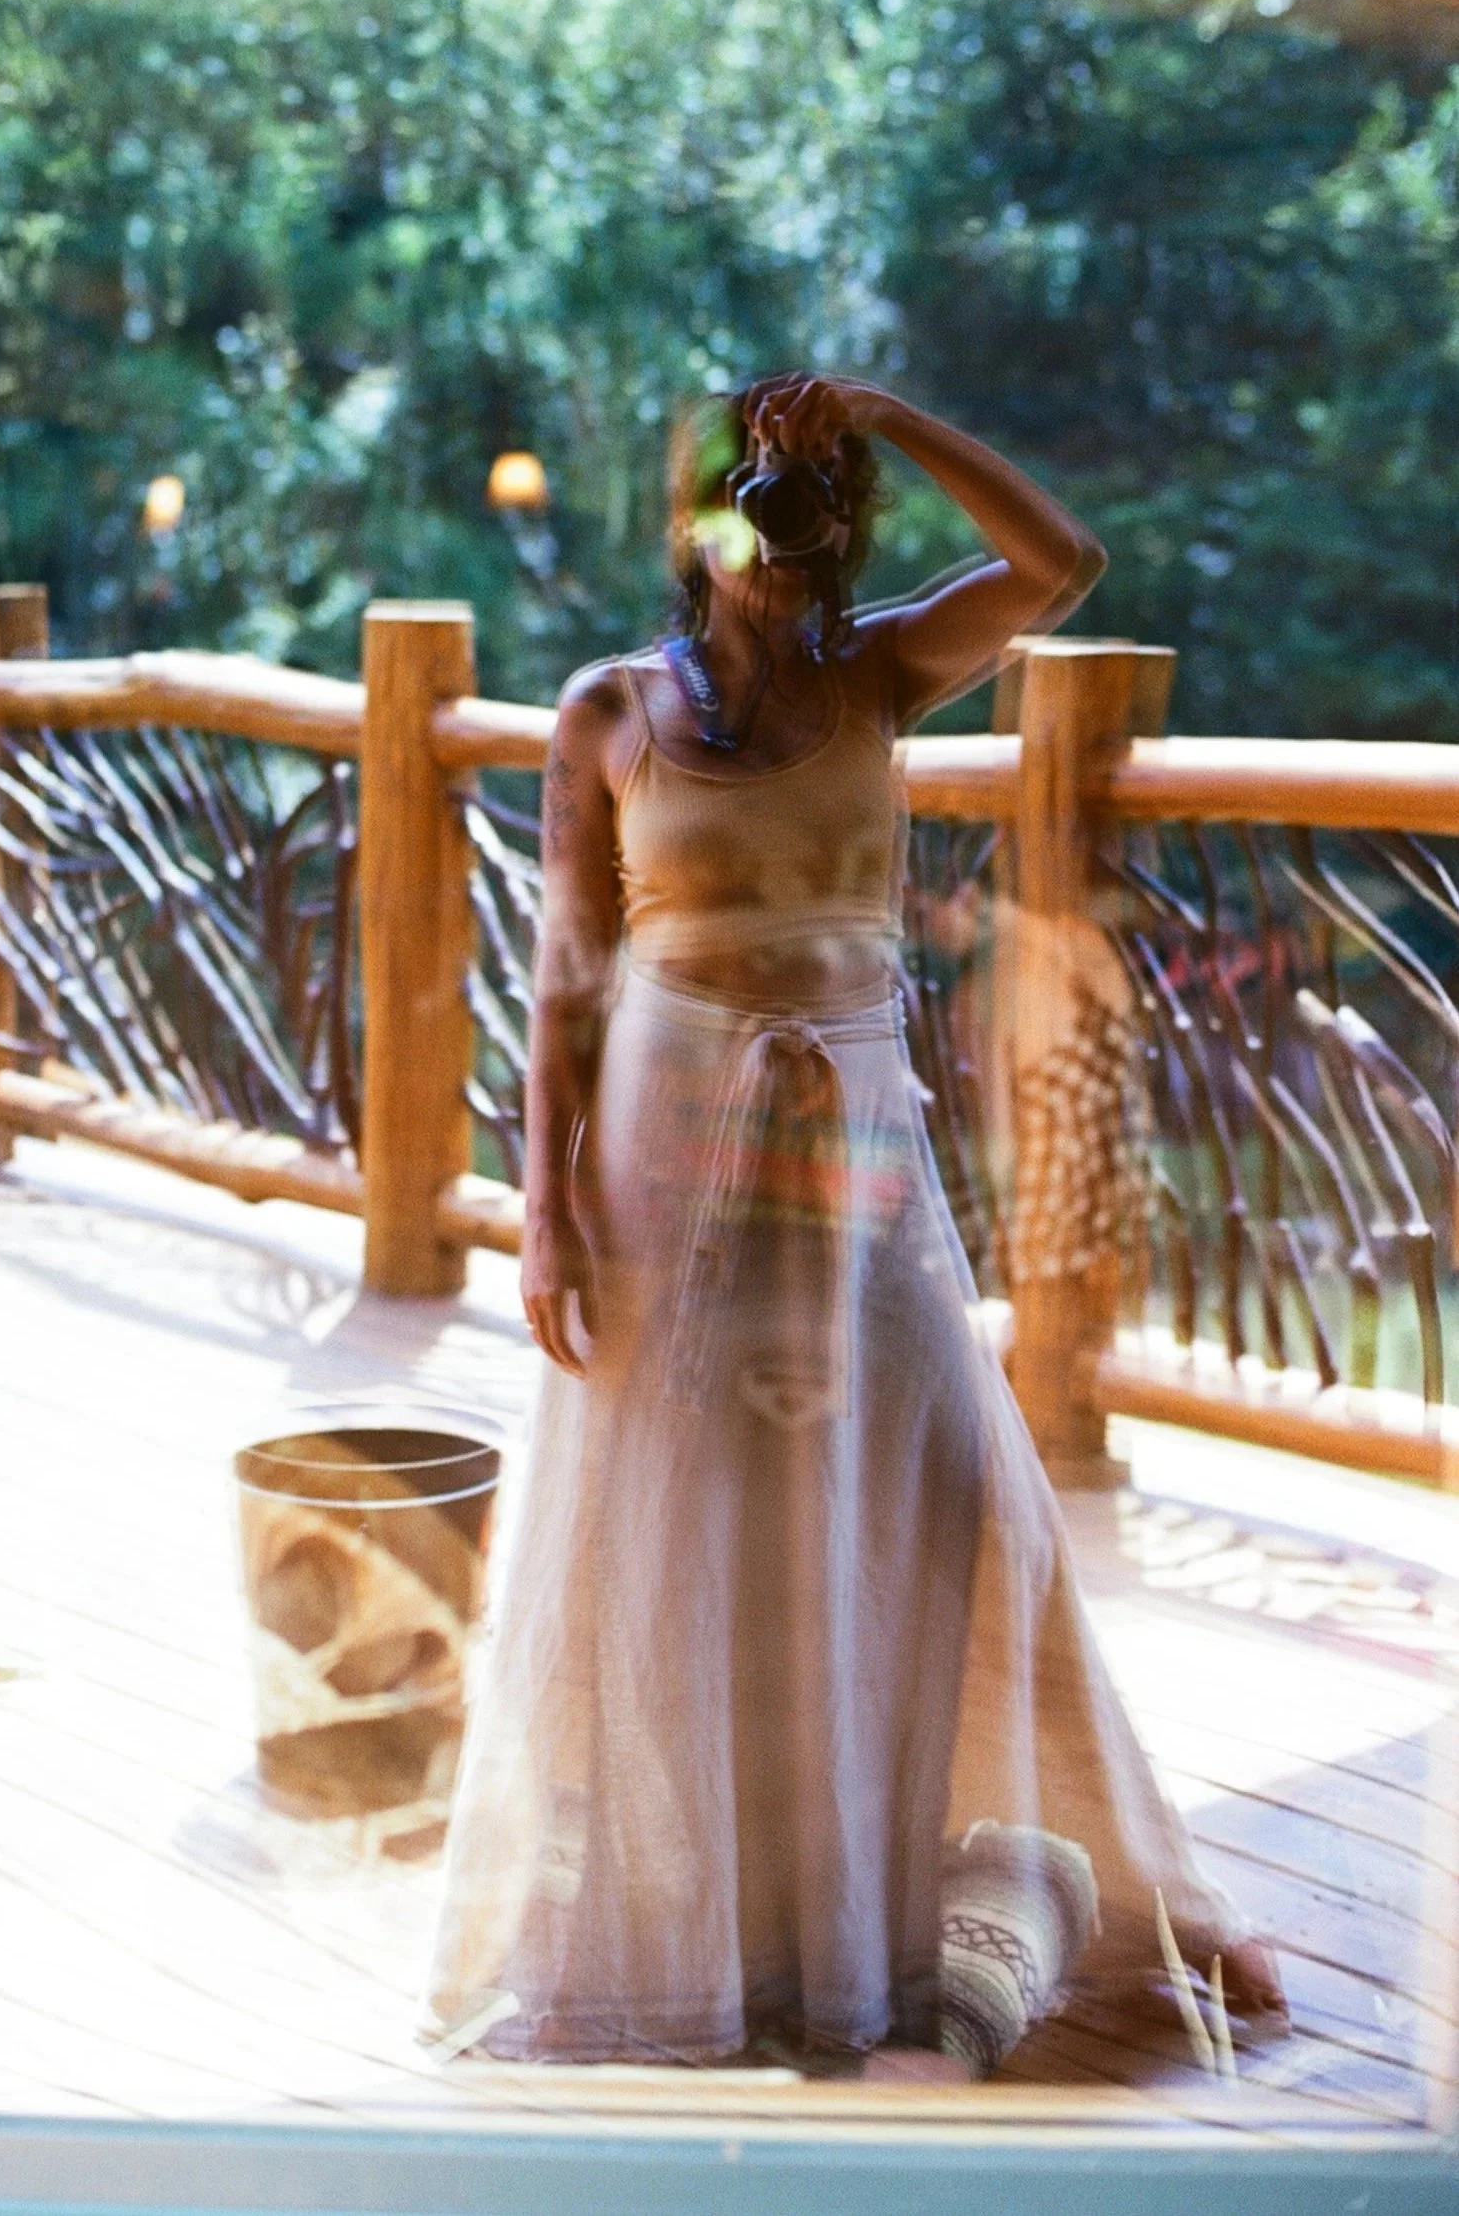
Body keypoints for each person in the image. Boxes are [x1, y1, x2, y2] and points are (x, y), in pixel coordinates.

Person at [425, 373, 1284, 2078]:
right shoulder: (606, 709)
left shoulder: (877, 671)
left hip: (854, 1148)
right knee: (677, 1526)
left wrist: (882, 418)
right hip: (661, 1156)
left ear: (838, 534)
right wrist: (540, 1216)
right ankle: (698, 1930)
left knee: (932, 1485)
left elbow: (1063, 560)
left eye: (807, 505)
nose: (773, 534)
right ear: (694, 529)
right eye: (745, 502)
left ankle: (980, 1894)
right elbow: (567, 983)